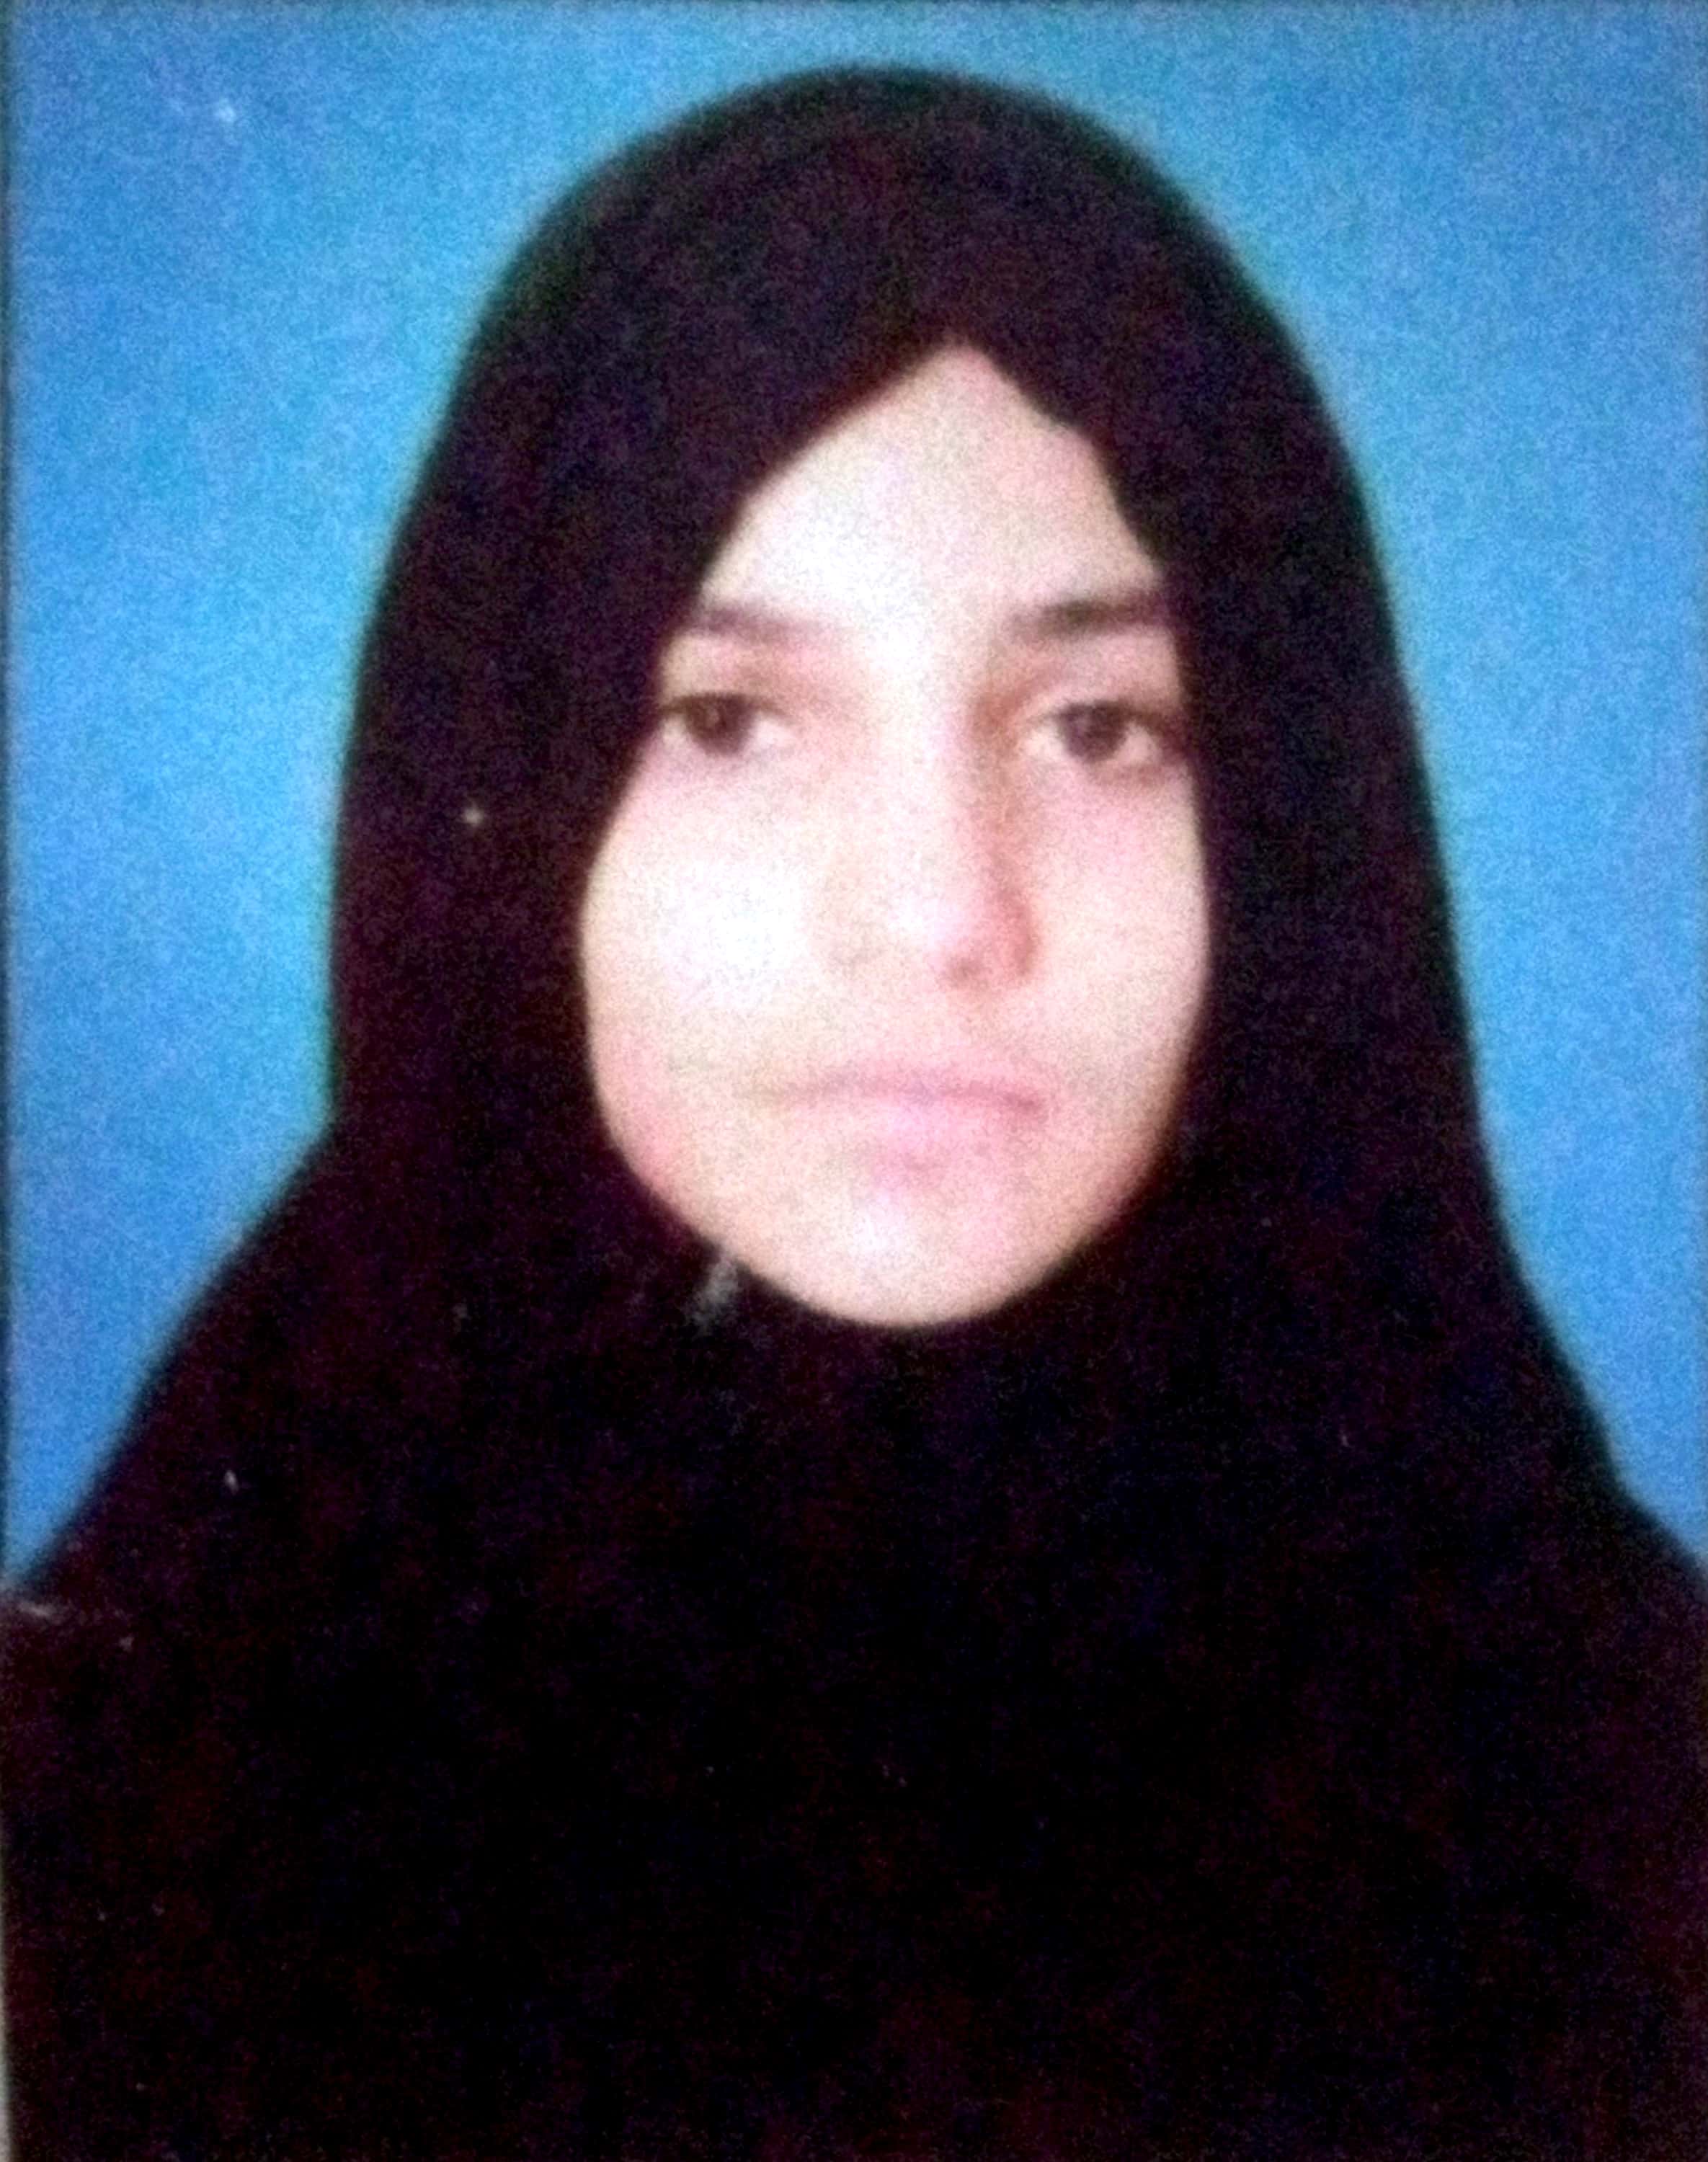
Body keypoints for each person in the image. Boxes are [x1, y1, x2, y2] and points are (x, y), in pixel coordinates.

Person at [4, 67, 1702, 2162]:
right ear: (496, 795)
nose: (937, 912)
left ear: (1297, 816)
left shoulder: (1607, 1764)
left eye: (1099, 728)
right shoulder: (142, 1757)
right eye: (726, 720)